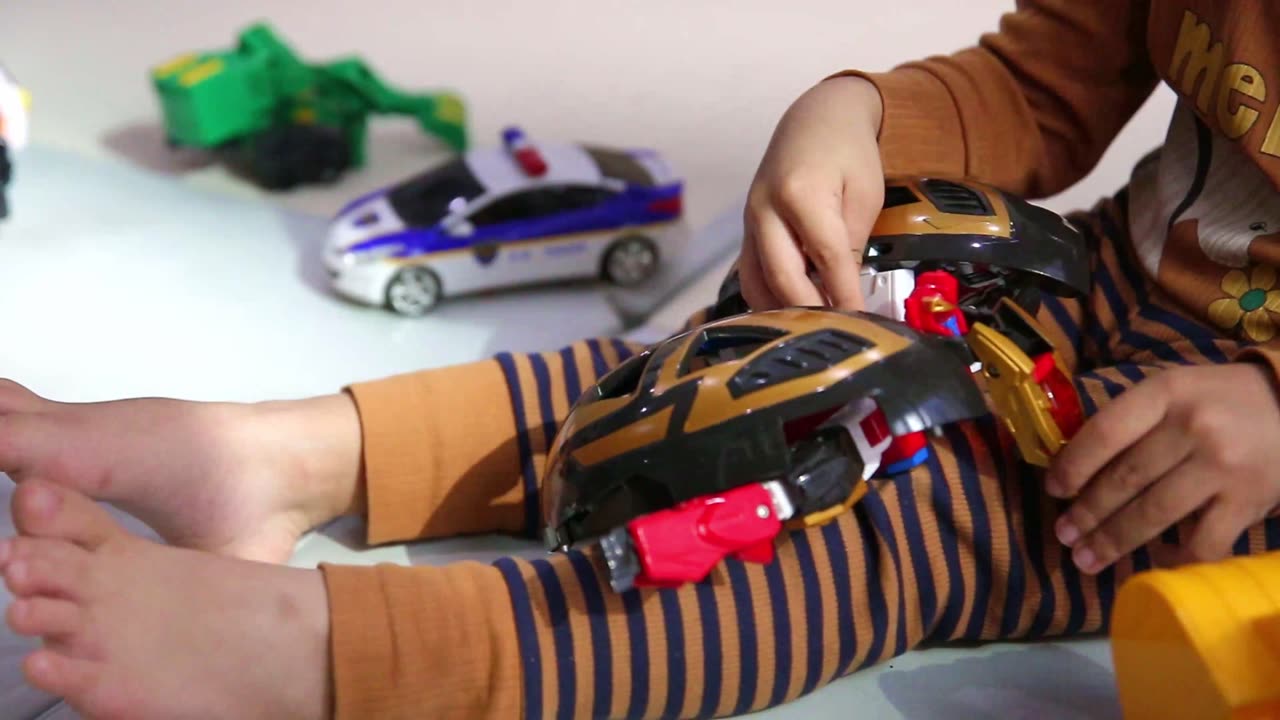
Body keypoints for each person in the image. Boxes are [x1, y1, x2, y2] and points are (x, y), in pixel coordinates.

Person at [3, 2, 1280, 718]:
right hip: (1107, 268)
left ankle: (327, 652)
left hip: (1228, 448)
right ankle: (290, 457)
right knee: (749, 363)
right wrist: (857, 118)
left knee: (911, 503)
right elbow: (1045, 78)